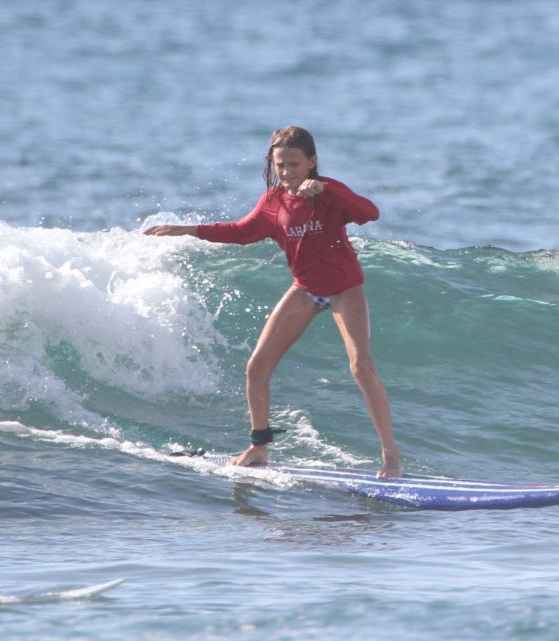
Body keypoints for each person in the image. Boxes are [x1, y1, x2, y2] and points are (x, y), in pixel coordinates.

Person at [146, 125, 403, 477]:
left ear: (312, 162)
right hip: (305, 288)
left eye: (294, 164)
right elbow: (240, 233)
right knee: (257, 367)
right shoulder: (273, 202)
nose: (286, 172)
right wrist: (189, 229)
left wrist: (326, 190)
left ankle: (391, 456)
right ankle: (259, 447)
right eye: (280, 165)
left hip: (345, 288)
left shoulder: (329, 192)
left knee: (361, 366)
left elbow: (369, 213)